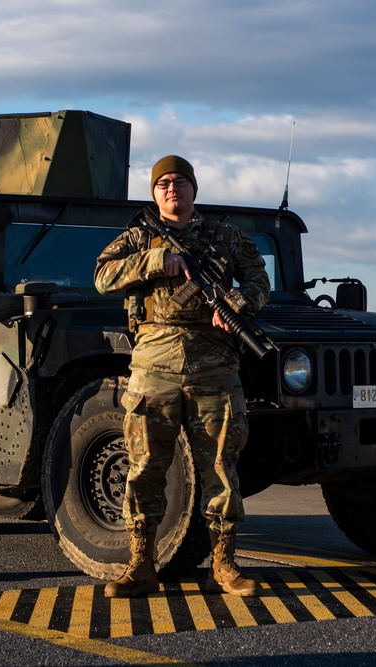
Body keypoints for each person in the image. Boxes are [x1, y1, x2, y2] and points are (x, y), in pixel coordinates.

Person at [93, 155, 271, 598]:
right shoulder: (138, 237)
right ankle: (141, 565)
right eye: (164, 183)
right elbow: (101, 276)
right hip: (154, 363)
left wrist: (238, 305)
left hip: (214, 365)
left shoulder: (225, 237)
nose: (173, 189)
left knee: (221, 467)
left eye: (181, 182)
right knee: (145, 466)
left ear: (194, 189)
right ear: (154, 193)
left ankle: (225, 565)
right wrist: (155, 260)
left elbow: (259, 279)